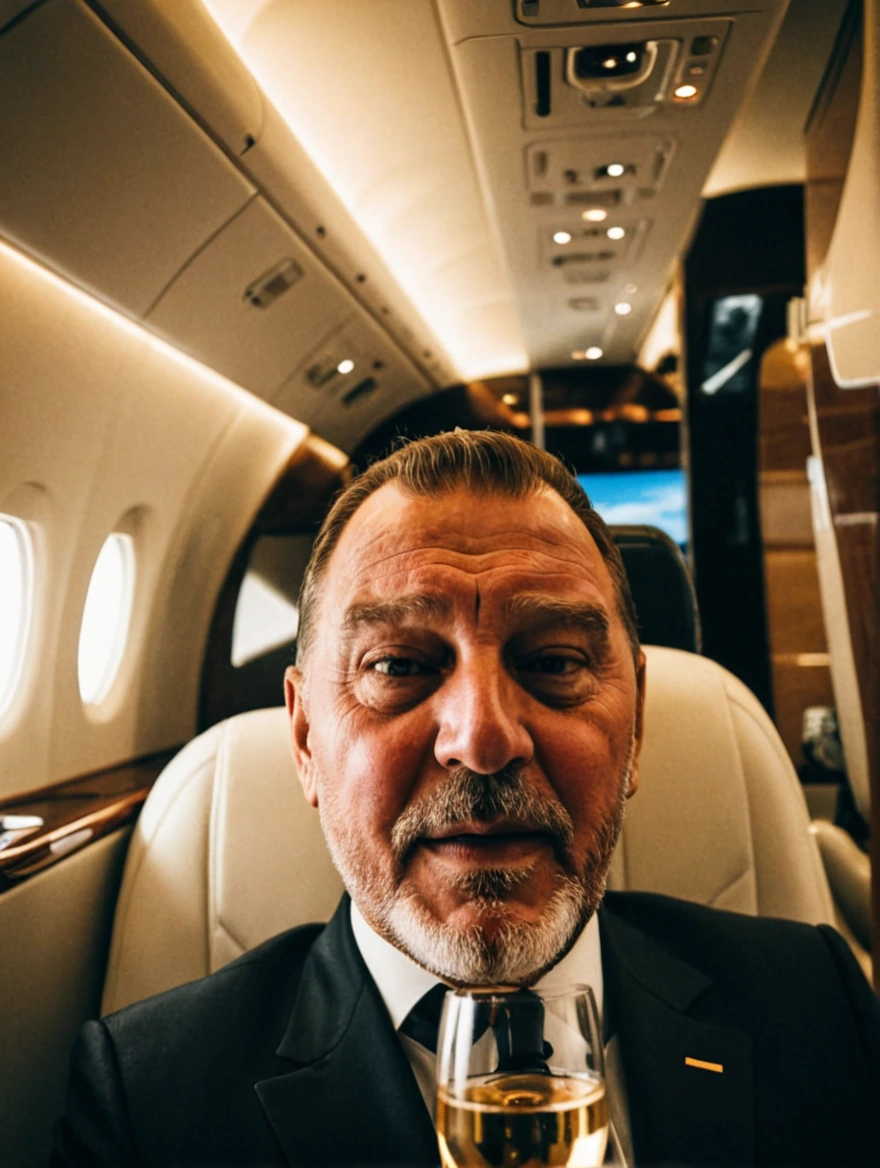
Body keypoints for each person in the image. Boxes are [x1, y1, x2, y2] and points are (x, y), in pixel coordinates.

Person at [53, 431, 880, 1167]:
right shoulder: (149, 1101)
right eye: (400, 667)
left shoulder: (816, 1006)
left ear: (636, 728)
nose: (482, 741)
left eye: (553, 662)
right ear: (305, 739)